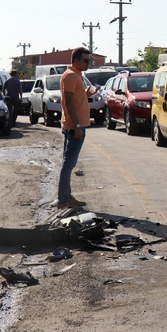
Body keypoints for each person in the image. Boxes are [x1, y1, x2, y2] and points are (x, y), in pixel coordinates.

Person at [56, 47, 93, 210]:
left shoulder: (77, 75)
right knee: (68, 163)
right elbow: (69, 102)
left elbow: (75, 98)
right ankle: (63, 199)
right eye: (86, 60)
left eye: (89, 60)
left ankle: (66, 196)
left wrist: (86, 94)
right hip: (74, 126)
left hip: (77, 124)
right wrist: (77, 125)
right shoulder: (71, 75)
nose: (88, 63)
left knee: (69, 163)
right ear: (76, 60)